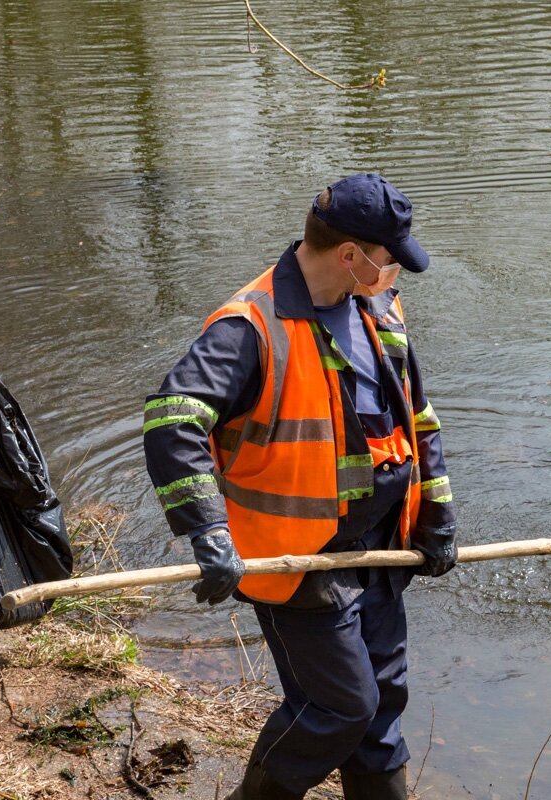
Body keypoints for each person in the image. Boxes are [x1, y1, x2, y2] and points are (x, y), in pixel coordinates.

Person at [143, 174, 458, 800]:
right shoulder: (250, 327)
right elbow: (172, 421)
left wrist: (438, 516)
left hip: (379, 547)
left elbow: (416, 417)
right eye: (389, 259)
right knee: (340, 705)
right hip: (296, 558)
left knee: (383, 701)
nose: (395, 272)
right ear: (351, 256)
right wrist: (208, 532)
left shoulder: (379, 307)